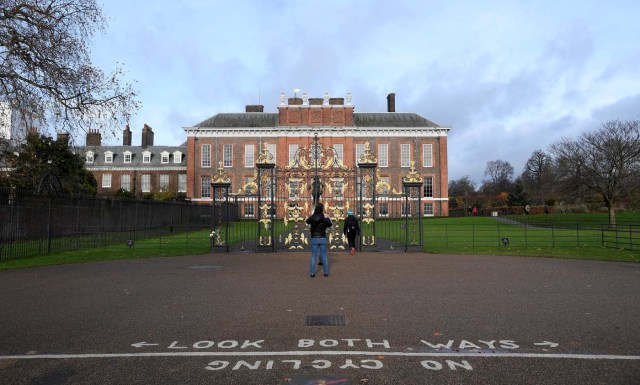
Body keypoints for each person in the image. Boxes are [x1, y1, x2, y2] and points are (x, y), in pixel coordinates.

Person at [305, 202, 332, 277]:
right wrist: (326, 216)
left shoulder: (313, 217)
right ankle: (326, 273)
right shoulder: (324, 217)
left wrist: (313, 215)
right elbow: (330, 224)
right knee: (324, 256)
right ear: (322, 210)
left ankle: (312, 273)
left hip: (314, 238)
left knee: (314, 256)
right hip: (322, 238)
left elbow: (307, 221)